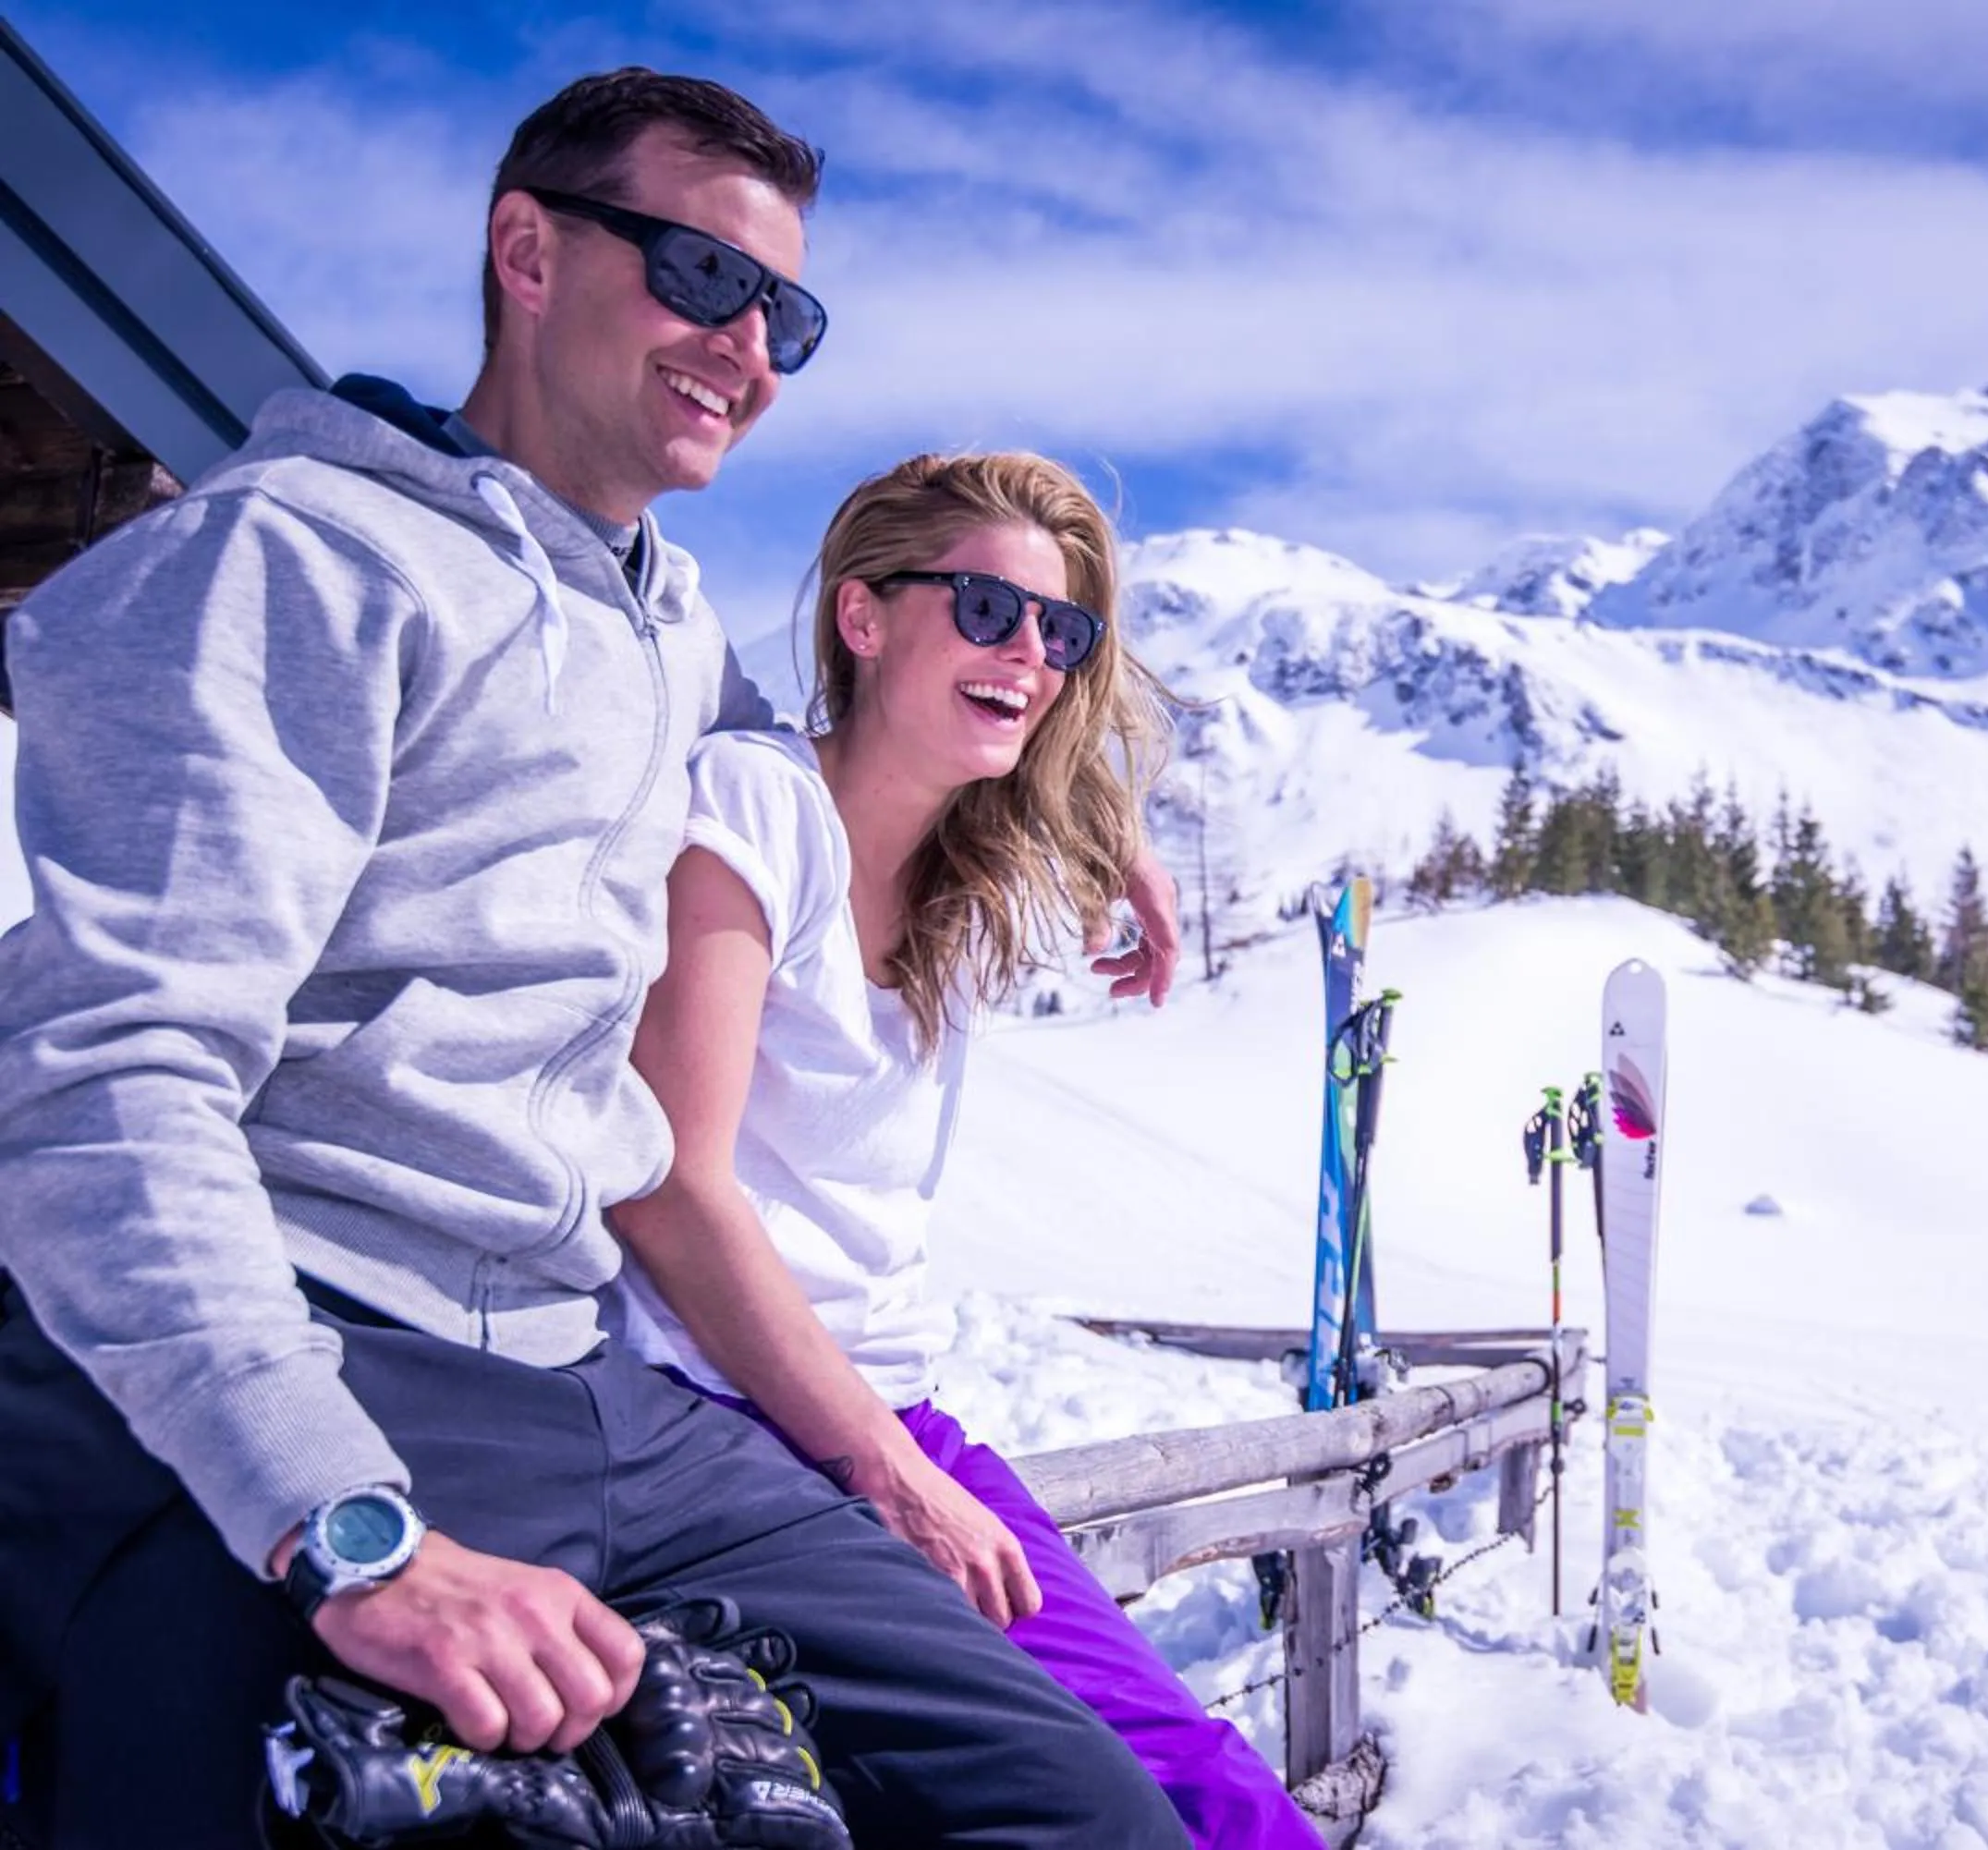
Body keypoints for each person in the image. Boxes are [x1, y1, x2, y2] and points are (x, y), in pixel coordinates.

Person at [0, 67, 1186, 1847]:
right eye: (703, 277)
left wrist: (1107, 836)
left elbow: (858, 746)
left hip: (586, 1386)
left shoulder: (657, 618)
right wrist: (346, 1528)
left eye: (784, 310)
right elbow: (109, 1080)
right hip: (316, 1350)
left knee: (1078, 1811)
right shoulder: (290, 564)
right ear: (526, 252)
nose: (750, 346)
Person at [606, 453, 1327, 1847]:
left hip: (893, 1417)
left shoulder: (957, 873)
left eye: (1062, 633)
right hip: (730, 1429)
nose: (1029, 657)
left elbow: (1037, 779)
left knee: (1204, 1778)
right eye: (990, 609)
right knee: (1092, 1807)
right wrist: (888, 1472)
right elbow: (670, 1185)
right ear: (863, 617)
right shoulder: (759, 810)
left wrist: (1117, 838)